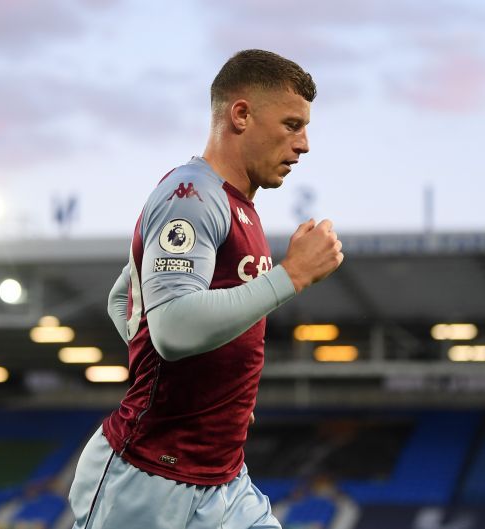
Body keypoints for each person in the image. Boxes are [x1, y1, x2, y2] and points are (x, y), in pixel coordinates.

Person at [68, 49, 343, 529]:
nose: (304, 144)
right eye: (292, 124)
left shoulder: (237, 204)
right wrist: (291, 275)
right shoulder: (192, 197)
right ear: (241, 114)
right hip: (147, 478)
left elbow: (124, 298)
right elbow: (171, 327)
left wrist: (210, 392)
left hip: (223, 480)